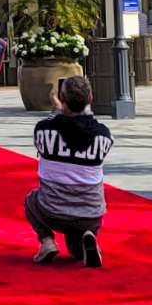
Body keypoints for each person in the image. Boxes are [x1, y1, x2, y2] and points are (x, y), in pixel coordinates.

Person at [25, 73, 112, 267]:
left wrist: (57, 110)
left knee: (30, 199)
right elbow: (90, 126)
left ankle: (47, 240)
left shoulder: (43, 130)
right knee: (76, 249)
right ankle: (90, 235)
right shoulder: (103, 135)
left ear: (62, 99)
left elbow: (48, 130)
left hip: (52, 211)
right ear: (90, 100)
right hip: (90, 214)